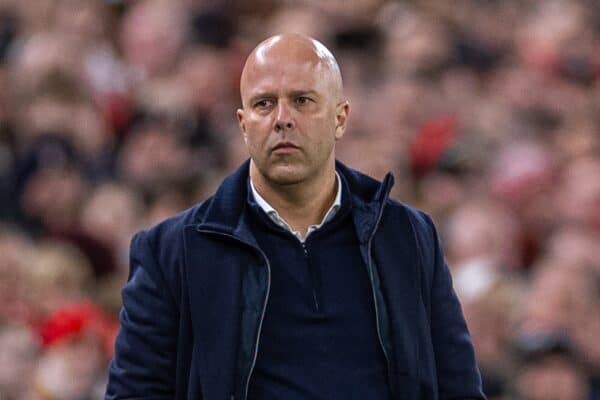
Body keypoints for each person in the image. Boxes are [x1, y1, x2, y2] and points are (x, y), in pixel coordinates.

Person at [105, 33, 485, 400]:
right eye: (264, 104)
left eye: (302, 101)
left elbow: (458, 388)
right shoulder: (172, 251)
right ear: (243, 124)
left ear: (340, 118)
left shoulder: (406, 236)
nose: (282, 118)